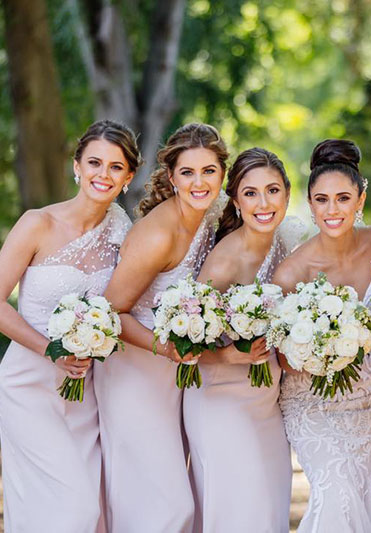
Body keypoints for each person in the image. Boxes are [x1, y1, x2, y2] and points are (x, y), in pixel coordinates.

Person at [0, 120, 139, 532]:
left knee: (91, 511)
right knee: (74, 509)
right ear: (76, 166)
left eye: (115, 167)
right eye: (94, 163)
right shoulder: (38, 223)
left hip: (85, 392)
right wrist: (53, 350)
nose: (103, 175)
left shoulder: (124, 237)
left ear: (128, 177)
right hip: (28, 387)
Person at [96, 123, 228, 532]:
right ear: (171, 177)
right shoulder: (158, 234)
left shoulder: (212, 217)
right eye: (187, 172)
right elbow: (111, 312)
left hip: (177, 376)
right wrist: (166, 348)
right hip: (135, 373)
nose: (199, 182)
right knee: (165, 505)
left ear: (222, 173)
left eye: (208, 170)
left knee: (173, 495)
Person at [273, 139, 371, 532]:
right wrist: (320, 350)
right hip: (313, 403)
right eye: (322, 200)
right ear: (310, 204)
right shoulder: (292, 273)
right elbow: (284, 360)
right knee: (335, 490)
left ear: (361, 198)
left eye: (343, 198)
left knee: (359, 492)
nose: (332, 209)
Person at [184, 147, 297, 532]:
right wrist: (231, 356)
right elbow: (185, 342)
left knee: (268, 507)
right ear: (235, 200)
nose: (263, 203)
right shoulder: (226, 259)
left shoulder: (288, 243)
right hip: (221, 399)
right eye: (250, 193)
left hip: (266, 403)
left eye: (272, 191)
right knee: (237, 509)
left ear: (286, 193)